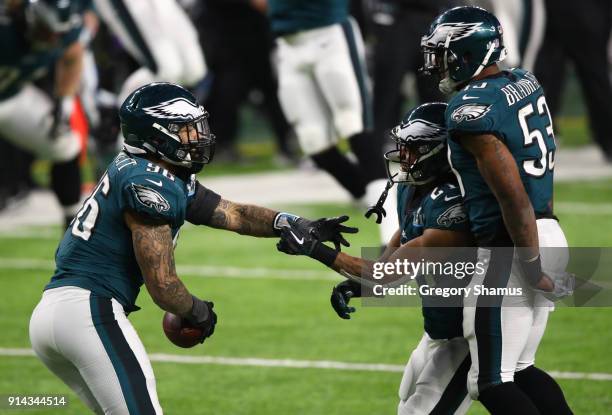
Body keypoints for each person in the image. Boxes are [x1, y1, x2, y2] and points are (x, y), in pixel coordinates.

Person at [29, 82, 357, 413]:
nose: (198, 137)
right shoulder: (150, 184)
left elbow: (235, 214)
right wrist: (197, 311)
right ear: (156, 136)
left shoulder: (154, 171)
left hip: (54, 315)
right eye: (185, 130)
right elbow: (163, 286)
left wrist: (289, 222)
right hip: (88, 313)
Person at [420, 6, 573, 414]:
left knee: (489, 383)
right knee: (520, 369)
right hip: (548, 229)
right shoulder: (524, 80)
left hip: (512, 246)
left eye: (443, 52)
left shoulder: (469, 111)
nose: (436, 63)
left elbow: (512, 196)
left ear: (469, 53)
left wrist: (531, 264)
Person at [277, 103, 474, 414]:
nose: (404, 155)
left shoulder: (452, 202)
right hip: (440, 329)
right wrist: (362, 287)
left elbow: (388, 273)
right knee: (408, 398)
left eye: (415, 147)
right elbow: (388, 264)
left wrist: (316, 249)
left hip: (469, 334)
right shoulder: (412, 191)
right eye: (404, 145)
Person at [268, 0, 398, 245]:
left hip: (330, 34)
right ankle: (388, 201)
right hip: (288, 43)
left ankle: (391, 235)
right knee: (314, 144)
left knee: (356, 129)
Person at [0, 0, 90, 227]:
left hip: (11, 97)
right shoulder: (6, 29)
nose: (52, 40)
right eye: (46, 31)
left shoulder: (64, 30)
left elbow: (72, 55)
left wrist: (65, 103)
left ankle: (73, 227)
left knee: (63, 143)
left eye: (58, 34)